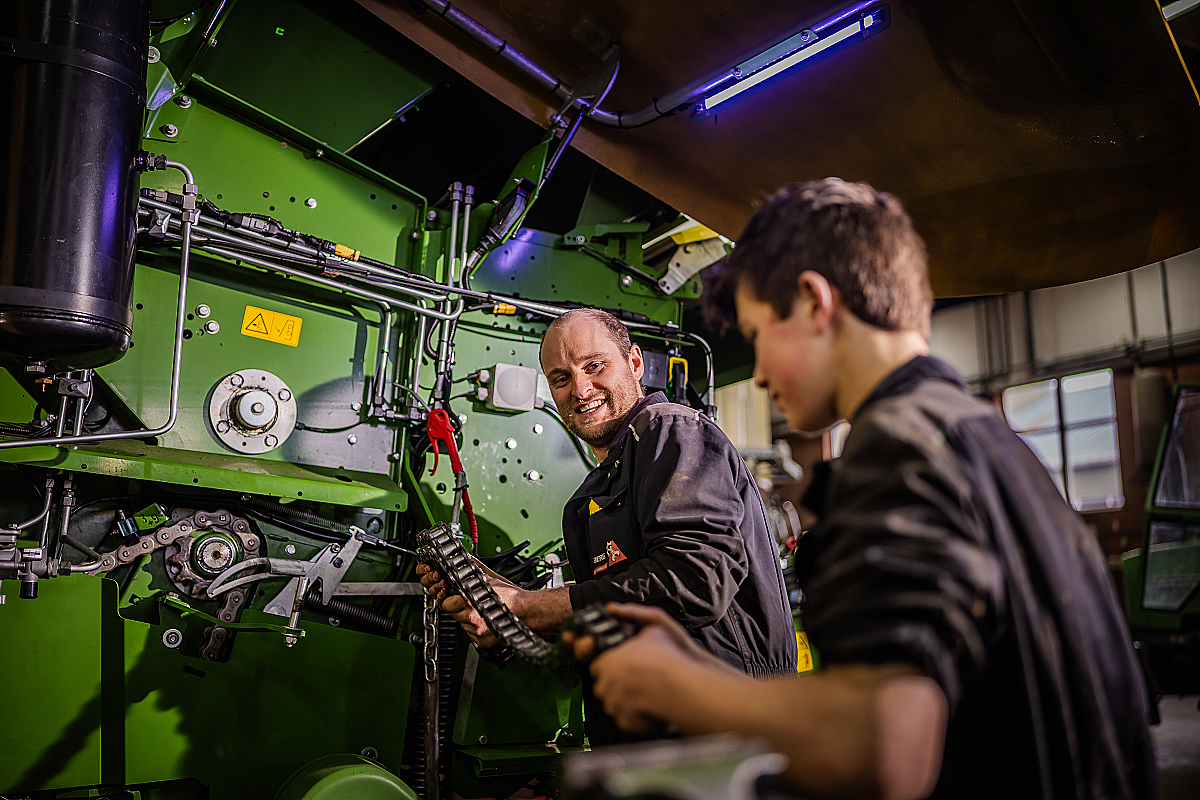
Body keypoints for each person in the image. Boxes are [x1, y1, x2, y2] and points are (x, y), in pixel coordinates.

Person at [566, 180, 1155, 800]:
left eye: (759, 334)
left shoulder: (899, 446)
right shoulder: (980, 437)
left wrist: (671, 683)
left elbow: (881, 749)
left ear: (815, 303)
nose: (760, 372)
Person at [417, 307, 797, 745]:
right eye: (561, 378)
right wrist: (501, 609)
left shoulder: (672, 432)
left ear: (634, 363)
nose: (580, 389)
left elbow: (694, 581)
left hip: (719, 737)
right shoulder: (598, 487)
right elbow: (611, 618)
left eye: (594, 366)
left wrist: (528, 605)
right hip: (643, 739)